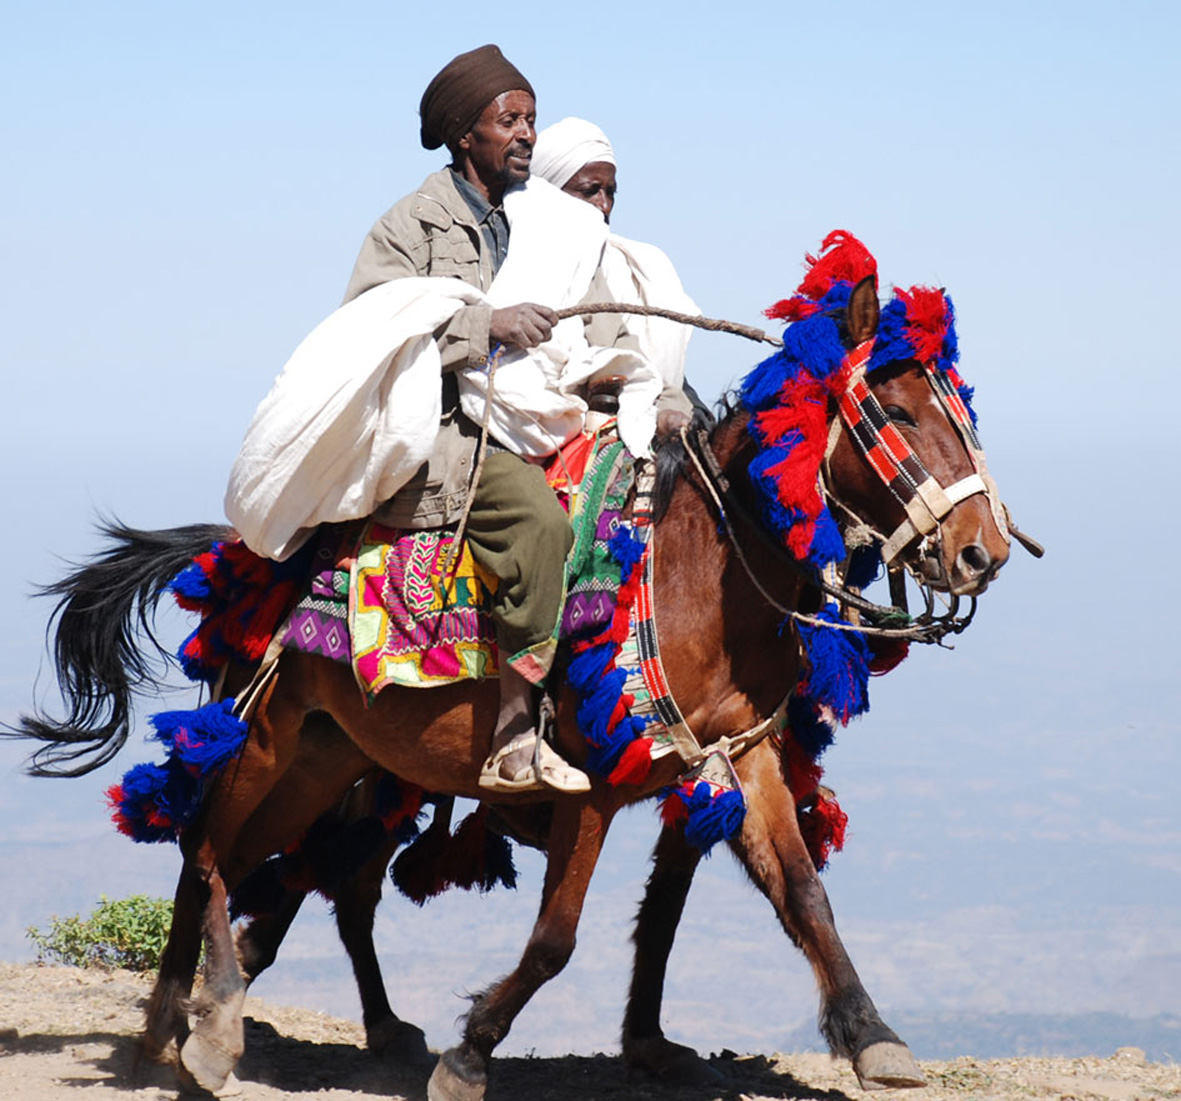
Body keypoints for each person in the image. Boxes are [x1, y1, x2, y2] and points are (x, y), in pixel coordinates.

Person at [339, 47, 599, 796]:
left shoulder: (543, 219)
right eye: (507, 119)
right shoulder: (409, 225)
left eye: (531, 120)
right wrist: (484, 325)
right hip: (449, 432)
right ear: (464, 135)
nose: (526, 134)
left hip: (543, 412)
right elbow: (369, 329)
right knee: (542, 530)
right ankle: (516, 733)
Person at [530, 116, 709, 437]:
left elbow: (662, 374)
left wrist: (680, 414)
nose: (604, 205)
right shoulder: (527, 265)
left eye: (610, 192)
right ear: (548, 192)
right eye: (590, 191)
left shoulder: (642, 265)